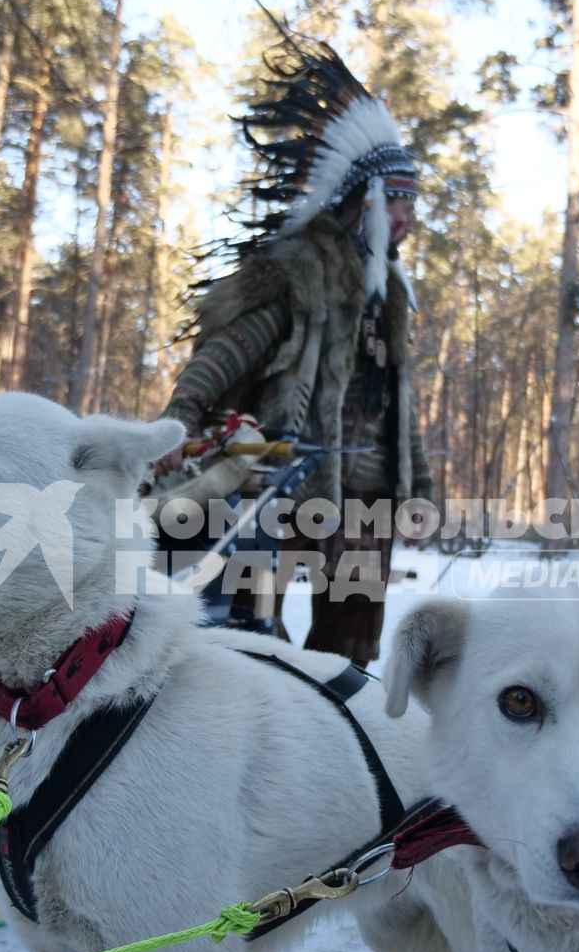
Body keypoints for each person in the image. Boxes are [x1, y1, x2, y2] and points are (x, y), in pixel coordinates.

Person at [154, 44, 433, 666]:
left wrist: (420, 491)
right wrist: (182, 416)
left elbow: (398, 409)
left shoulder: (390, 300)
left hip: (367, 502)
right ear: (363, 198)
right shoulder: (300, 271)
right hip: (285, 481)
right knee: (253, 633)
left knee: (351, 644)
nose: (409, 218)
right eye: (399, 199)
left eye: (414, 202)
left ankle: (336, 742)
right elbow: (233, 349)